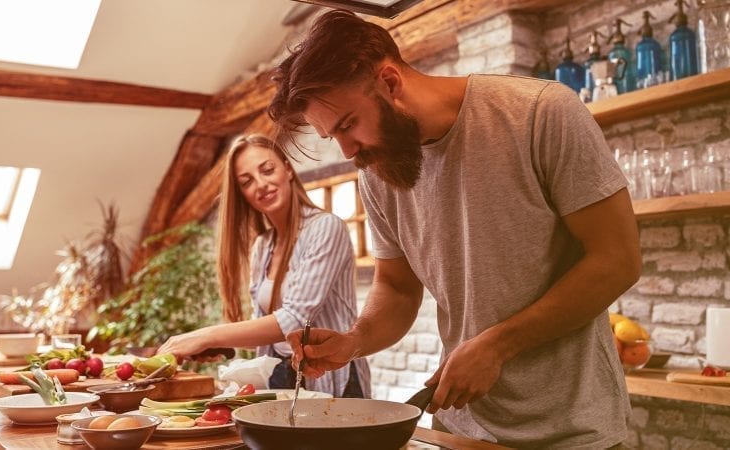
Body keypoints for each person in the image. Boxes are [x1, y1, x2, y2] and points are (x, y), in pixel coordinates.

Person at [268, 9, 641, 449]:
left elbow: (618, 260)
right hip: (461, 432)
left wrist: (498, 346)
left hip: (573, 432)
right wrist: (354, 340)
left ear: (389, 82)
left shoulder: (541, 113)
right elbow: (399, 288)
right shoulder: (378, 173)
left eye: (348, 124)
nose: (349, 151)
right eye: (334, 137)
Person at [157, 134, 369, 398]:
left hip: (333, 381)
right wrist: (226, 348)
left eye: (267, 170)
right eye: (246, 182)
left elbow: (294, 319)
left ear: (288, 169)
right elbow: (268, 332)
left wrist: (207, 336)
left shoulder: (326, 228)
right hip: (283, 378)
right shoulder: (263, 246)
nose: (261, 184)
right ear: (242, 194)